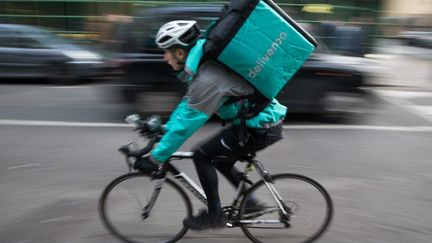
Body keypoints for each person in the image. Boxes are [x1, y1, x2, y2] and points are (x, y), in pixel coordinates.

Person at [133, 20, 287, 230]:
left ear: (179, 53)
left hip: (260, 127)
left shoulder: (208, 77)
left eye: (166, 52)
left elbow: (188, 122)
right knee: (219, 160)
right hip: (258, 123)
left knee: (202, 155)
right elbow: (188, 105)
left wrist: (155, 158)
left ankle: (215, 215)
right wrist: (164, 130)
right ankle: (250, 203)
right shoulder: (203, 67)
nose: (164, 57)